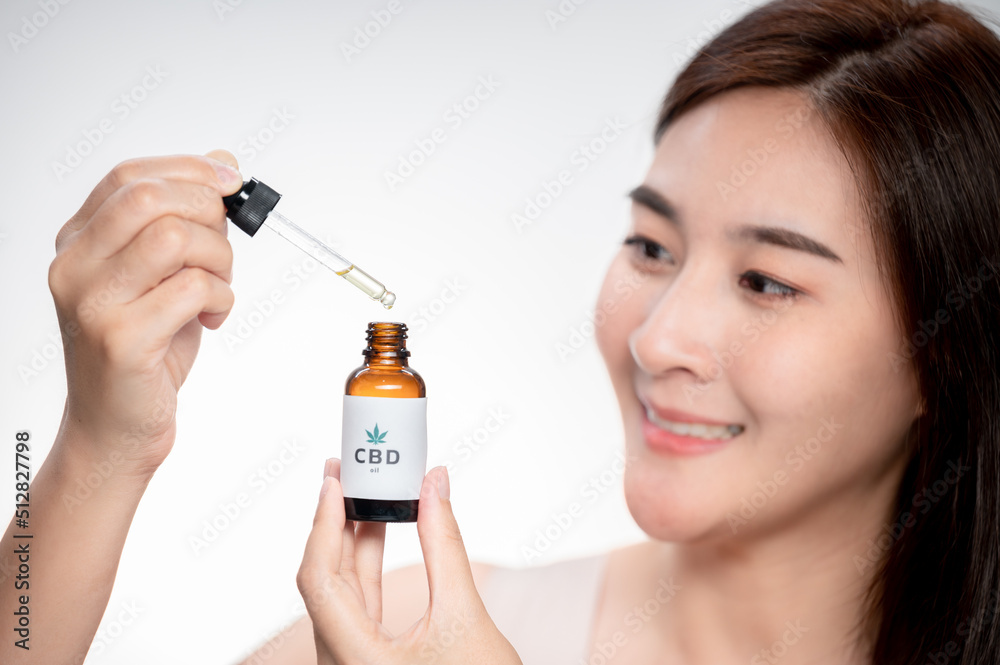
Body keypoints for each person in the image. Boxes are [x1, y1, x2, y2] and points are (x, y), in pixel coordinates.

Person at [3, 0, 999, 662]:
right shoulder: (398, 631)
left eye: (767, 280)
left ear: (941, 349)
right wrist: (99, 449)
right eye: (651, 245)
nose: (657, 339)